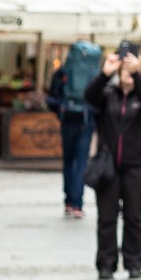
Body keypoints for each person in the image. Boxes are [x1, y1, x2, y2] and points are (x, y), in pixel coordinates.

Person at [84, 42, 141, 280]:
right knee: (106, 217)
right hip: (108, 166)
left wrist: (137, 73)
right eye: (123, 70)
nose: (126, 74)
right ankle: (106, 264)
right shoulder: (108, 95)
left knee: (134, 216)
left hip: (137, 166)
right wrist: (105, 73)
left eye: (131, 70)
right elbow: (89, 96)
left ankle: (134, 263)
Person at [47, 39, 101, 220]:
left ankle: (68, 201)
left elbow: (52, 96)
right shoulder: (94, 73)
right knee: (81, 161)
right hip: (86, 120)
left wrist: (60, 110)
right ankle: (78, 203)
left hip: (67, 119)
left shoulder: (63, 72)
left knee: (68, 160)